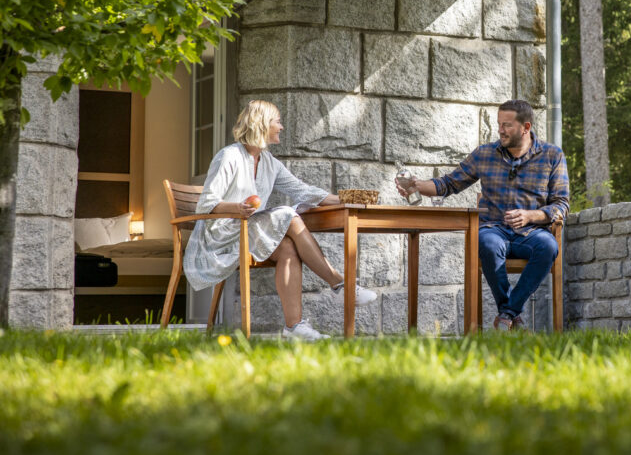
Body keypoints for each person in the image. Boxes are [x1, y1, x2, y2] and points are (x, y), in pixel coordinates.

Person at [183, 100, 378, 342]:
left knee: (287, 248)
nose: (281, 127)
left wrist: (344, 201)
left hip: (247, 232)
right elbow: (206, 204)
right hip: (221, 236)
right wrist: (238, 207)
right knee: (288, 215)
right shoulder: (228, 156)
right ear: (262, 124)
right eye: (278, 121)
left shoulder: (268, 163)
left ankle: (294, 327)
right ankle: (340, 284)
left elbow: (302, 190)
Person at [395, 99, 569, 331]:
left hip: (532, 232)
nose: (500, 130)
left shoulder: (552, 155)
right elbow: (449, 184)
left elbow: (561, 204)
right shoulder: (485, 154)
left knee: (548, 247)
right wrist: (417, 185)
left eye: (507, 125)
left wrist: (530, 216)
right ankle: (511, 317)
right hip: (494, 229)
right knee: (486, 243)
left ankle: (506, 313)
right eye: (499, 124)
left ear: (526, 127)